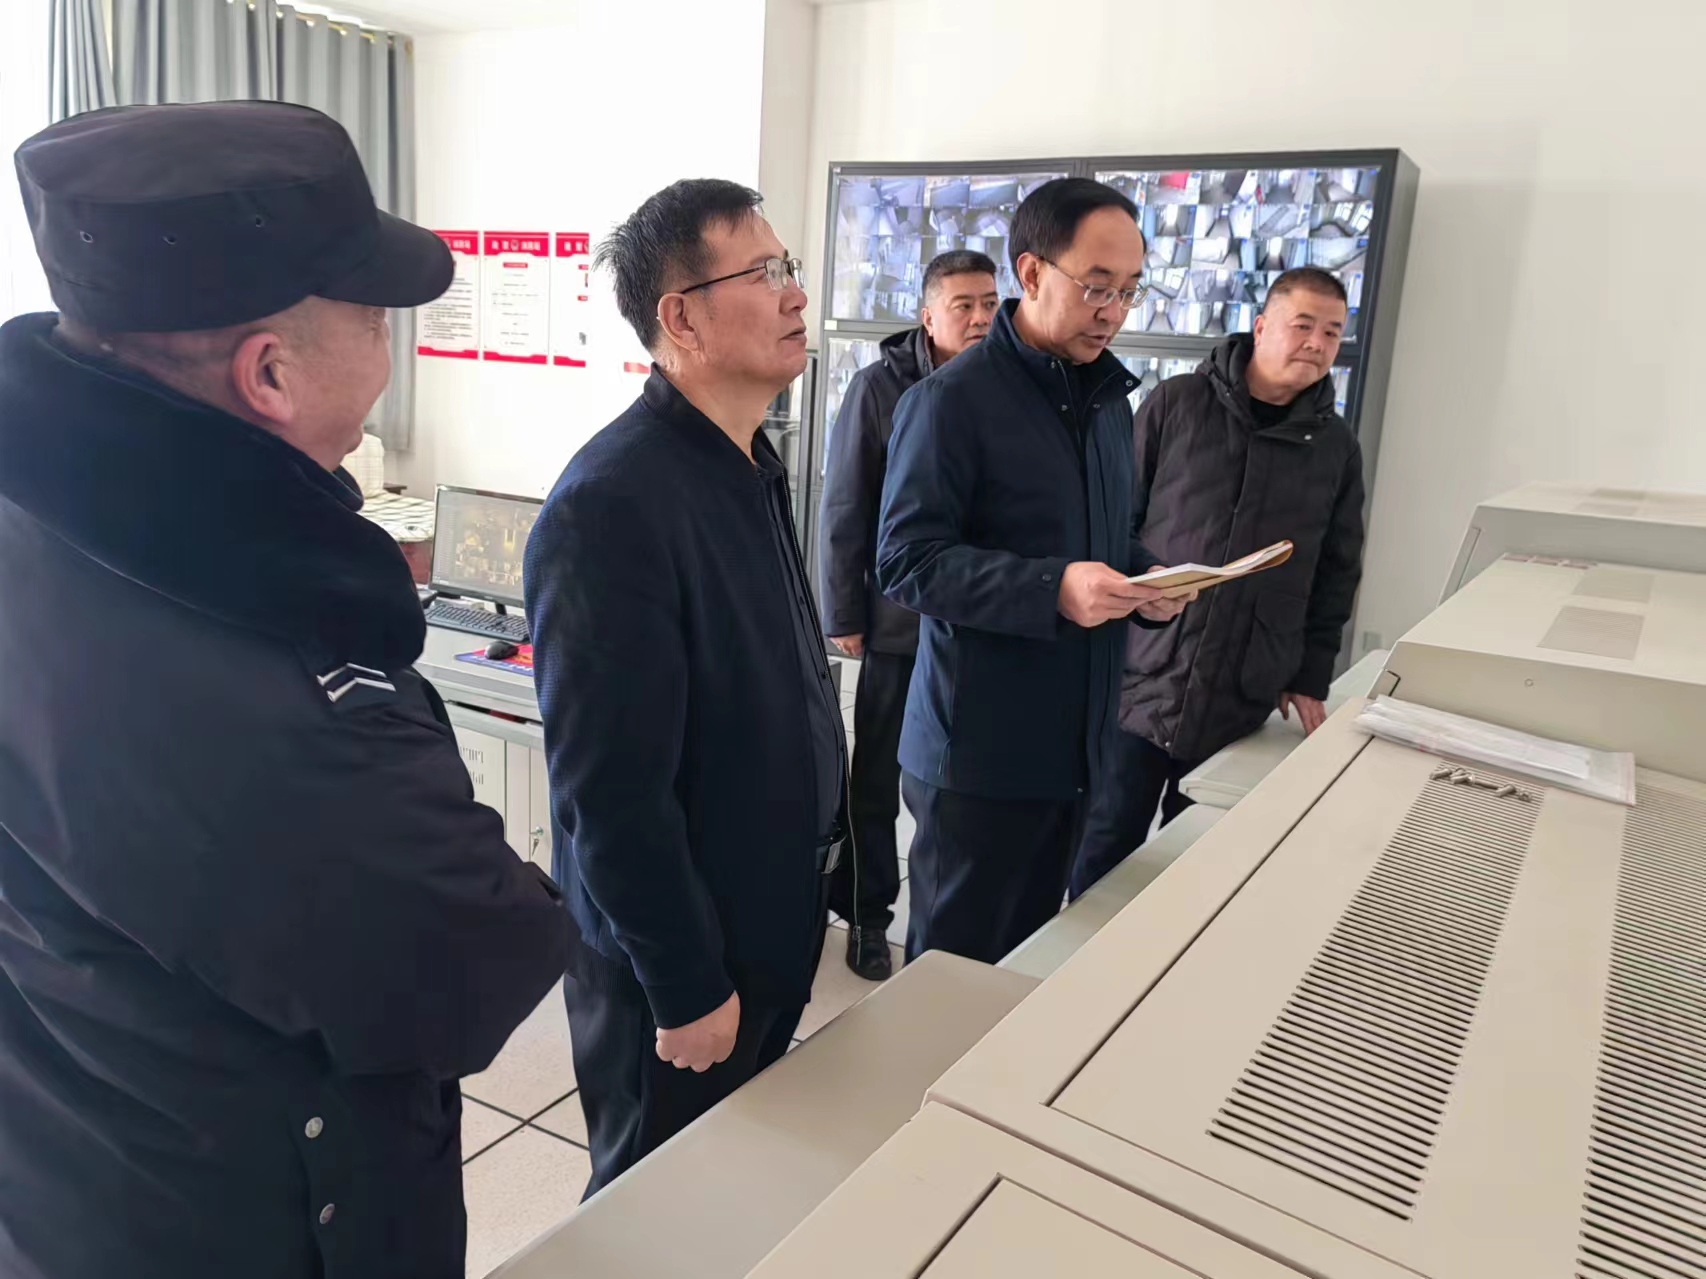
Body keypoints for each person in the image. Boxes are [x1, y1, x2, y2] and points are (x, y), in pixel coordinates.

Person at [0, 103, 569, 1279]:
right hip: (254, 1216)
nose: (387, 357)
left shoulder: (36, 521)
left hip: (71, 1167)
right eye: (374, 323)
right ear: (270, 371)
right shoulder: (270, 693)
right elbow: (463, 971)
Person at [525, 180, 843, 1196]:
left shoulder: (748, 465)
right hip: (679, 962)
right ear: (682, 318)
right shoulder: (611, 505)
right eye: (765, 272)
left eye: (789, 267)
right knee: (649, 1207)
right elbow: (610, 793)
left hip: (763, 923)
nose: (795, 292)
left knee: (726, 1190)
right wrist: (685, 982)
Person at [876, 178, 1192, 966]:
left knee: (1027, 965)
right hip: (980, 757)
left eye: (1129, 290)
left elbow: (1103, 537)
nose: (1113, 311)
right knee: (953, 980)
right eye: (1096, 286)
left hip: (1076, 747)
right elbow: (906, 561)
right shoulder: (952, 402)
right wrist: (1054, 589)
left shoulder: (1108, 402)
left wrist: (1146, 580)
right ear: (1032, 272)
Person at [1070, 267, 1366, 897]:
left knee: (1198, 862)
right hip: (1143, 674)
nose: (1317, 343)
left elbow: (1337, 568)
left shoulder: (1335, 446)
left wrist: (1309, 675)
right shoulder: (1178, 403)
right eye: (1303, 325)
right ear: (1261, 326)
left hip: (1244, 684)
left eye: (1332, 332)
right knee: (1103, 845)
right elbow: (1115, 518)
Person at [818, 249, 1000, 980]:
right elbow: (845, 505)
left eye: (990, 303)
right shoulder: (880, 388)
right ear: (928, 316)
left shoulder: (1007, 385)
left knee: (954, 785)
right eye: (964, 305)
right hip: (898, 626)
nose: (981, 318)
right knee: (877, 783)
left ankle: (944, 925)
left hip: (981, 624)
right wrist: (843, 611)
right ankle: (867, 915)